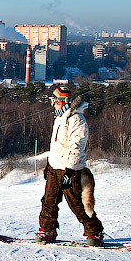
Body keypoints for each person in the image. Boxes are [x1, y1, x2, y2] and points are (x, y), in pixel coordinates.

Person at [37, 86, 105, 247]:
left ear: (63, 102)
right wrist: (49, 164)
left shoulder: (76, 120)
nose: (53, 104)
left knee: (77, 202)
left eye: (54, 101)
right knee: (49, 201)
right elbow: (57, 145)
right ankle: (47, 230)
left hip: (70, 169)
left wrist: (70, 170)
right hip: (55, 167)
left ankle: (94, 231)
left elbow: (76, 146)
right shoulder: (59, 118)